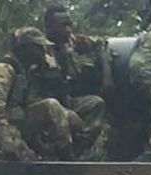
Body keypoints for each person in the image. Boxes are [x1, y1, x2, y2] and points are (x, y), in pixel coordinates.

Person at [0, 27, 74, 161]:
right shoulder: (3, 69)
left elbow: (30, 103)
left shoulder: (24, 71)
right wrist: (8, 140)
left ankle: (66, 157)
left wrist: (67, 114)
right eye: (38, 48)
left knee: (54, 108)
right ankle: (67, 161)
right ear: (25, 48)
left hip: (17, 123)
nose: (42, 52)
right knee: (25, 160)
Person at [36, 5, 111, 160]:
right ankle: (58, 153)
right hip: (44, 106)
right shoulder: (38, 50)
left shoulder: (70, 42)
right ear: (50, 27)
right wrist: (65, 112)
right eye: (63, 25)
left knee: (95, 103)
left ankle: (81, 147)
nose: (69, 29)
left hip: (66, 100)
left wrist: (106, 76)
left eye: (70, 24)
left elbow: (101, 44)